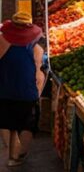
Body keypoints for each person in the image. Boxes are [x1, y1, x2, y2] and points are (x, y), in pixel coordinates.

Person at [0, 12, 44, 169]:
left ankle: (11, 154)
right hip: (27, 91)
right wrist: (38, 92)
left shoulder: (2, 41)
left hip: (5, 90)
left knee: (8, 123)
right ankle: (18, 156)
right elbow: (39, 74)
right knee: (27, 124)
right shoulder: (36, 47)